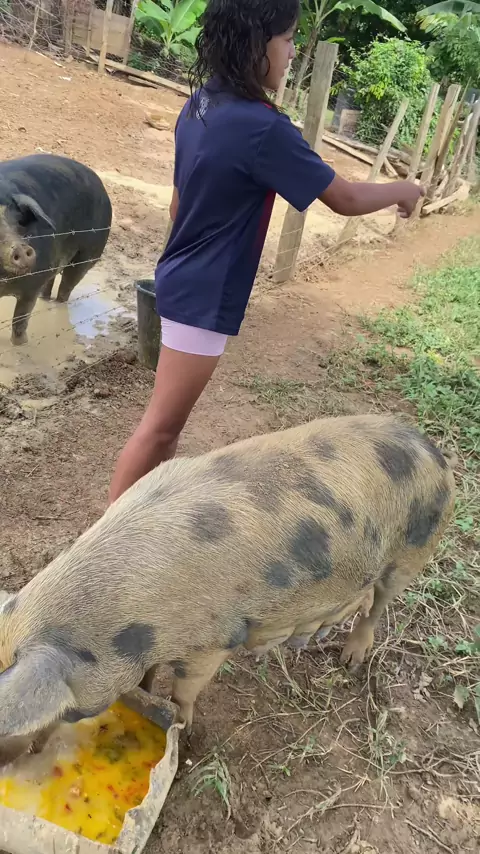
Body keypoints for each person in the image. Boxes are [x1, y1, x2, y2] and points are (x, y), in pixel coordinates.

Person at [108, 0, 424, 505]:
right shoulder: (263, 128)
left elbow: (176, 205)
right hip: (204, 294)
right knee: (161, 429)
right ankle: (110, 541)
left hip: (178, 273)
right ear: (256, 42)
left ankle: (148, 521)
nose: (293, 52)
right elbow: (344, 199)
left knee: (165, 429)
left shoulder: (200, 104)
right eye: (288, 39)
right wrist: (404, 189)